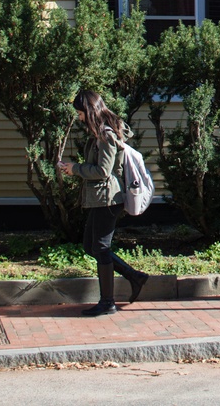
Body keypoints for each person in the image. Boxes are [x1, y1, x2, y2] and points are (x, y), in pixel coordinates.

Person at [56, 90, 150, 316]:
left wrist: (75, 169)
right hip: (101, 198)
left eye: (80, 113)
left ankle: (108, 302)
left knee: (100, 247)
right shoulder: (100, 133)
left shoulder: (106, 135)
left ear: (89, 111)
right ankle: (135, 277)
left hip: (108, 199)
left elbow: (103, 171)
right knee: (91, 246)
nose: (79, 118)